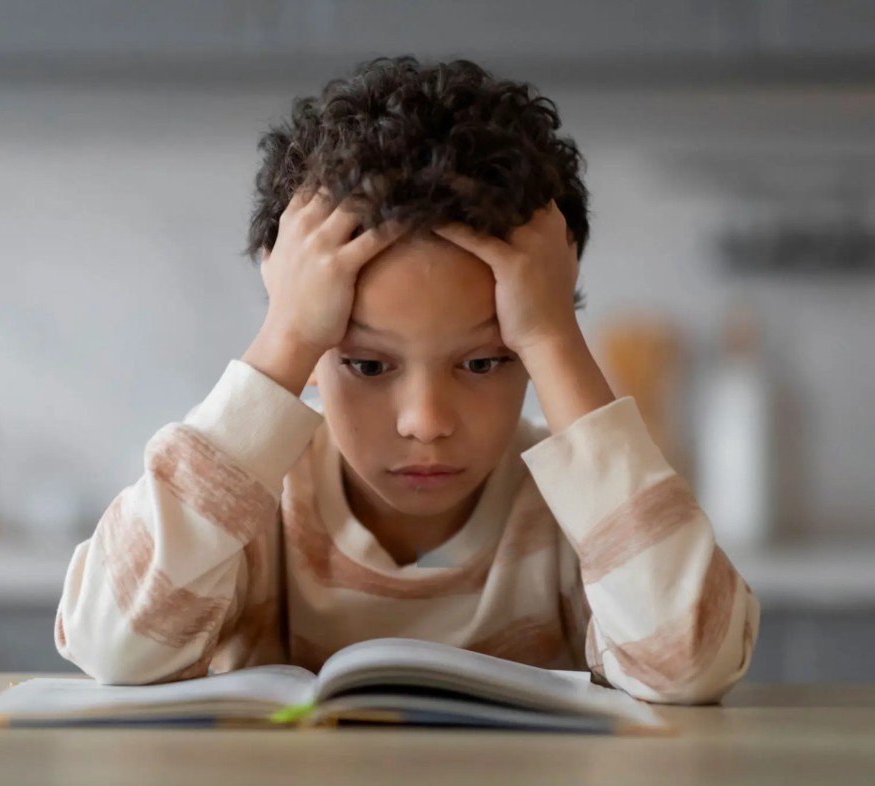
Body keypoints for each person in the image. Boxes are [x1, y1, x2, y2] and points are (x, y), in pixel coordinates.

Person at [53, 55, 760, 705]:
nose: (425, 421)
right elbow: (115, 645)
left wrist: (552, 333)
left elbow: (689, 663)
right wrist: (285, 336)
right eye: (366, 364)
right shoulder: (250, 506)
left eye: (484, 362)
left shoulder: (579, 516)